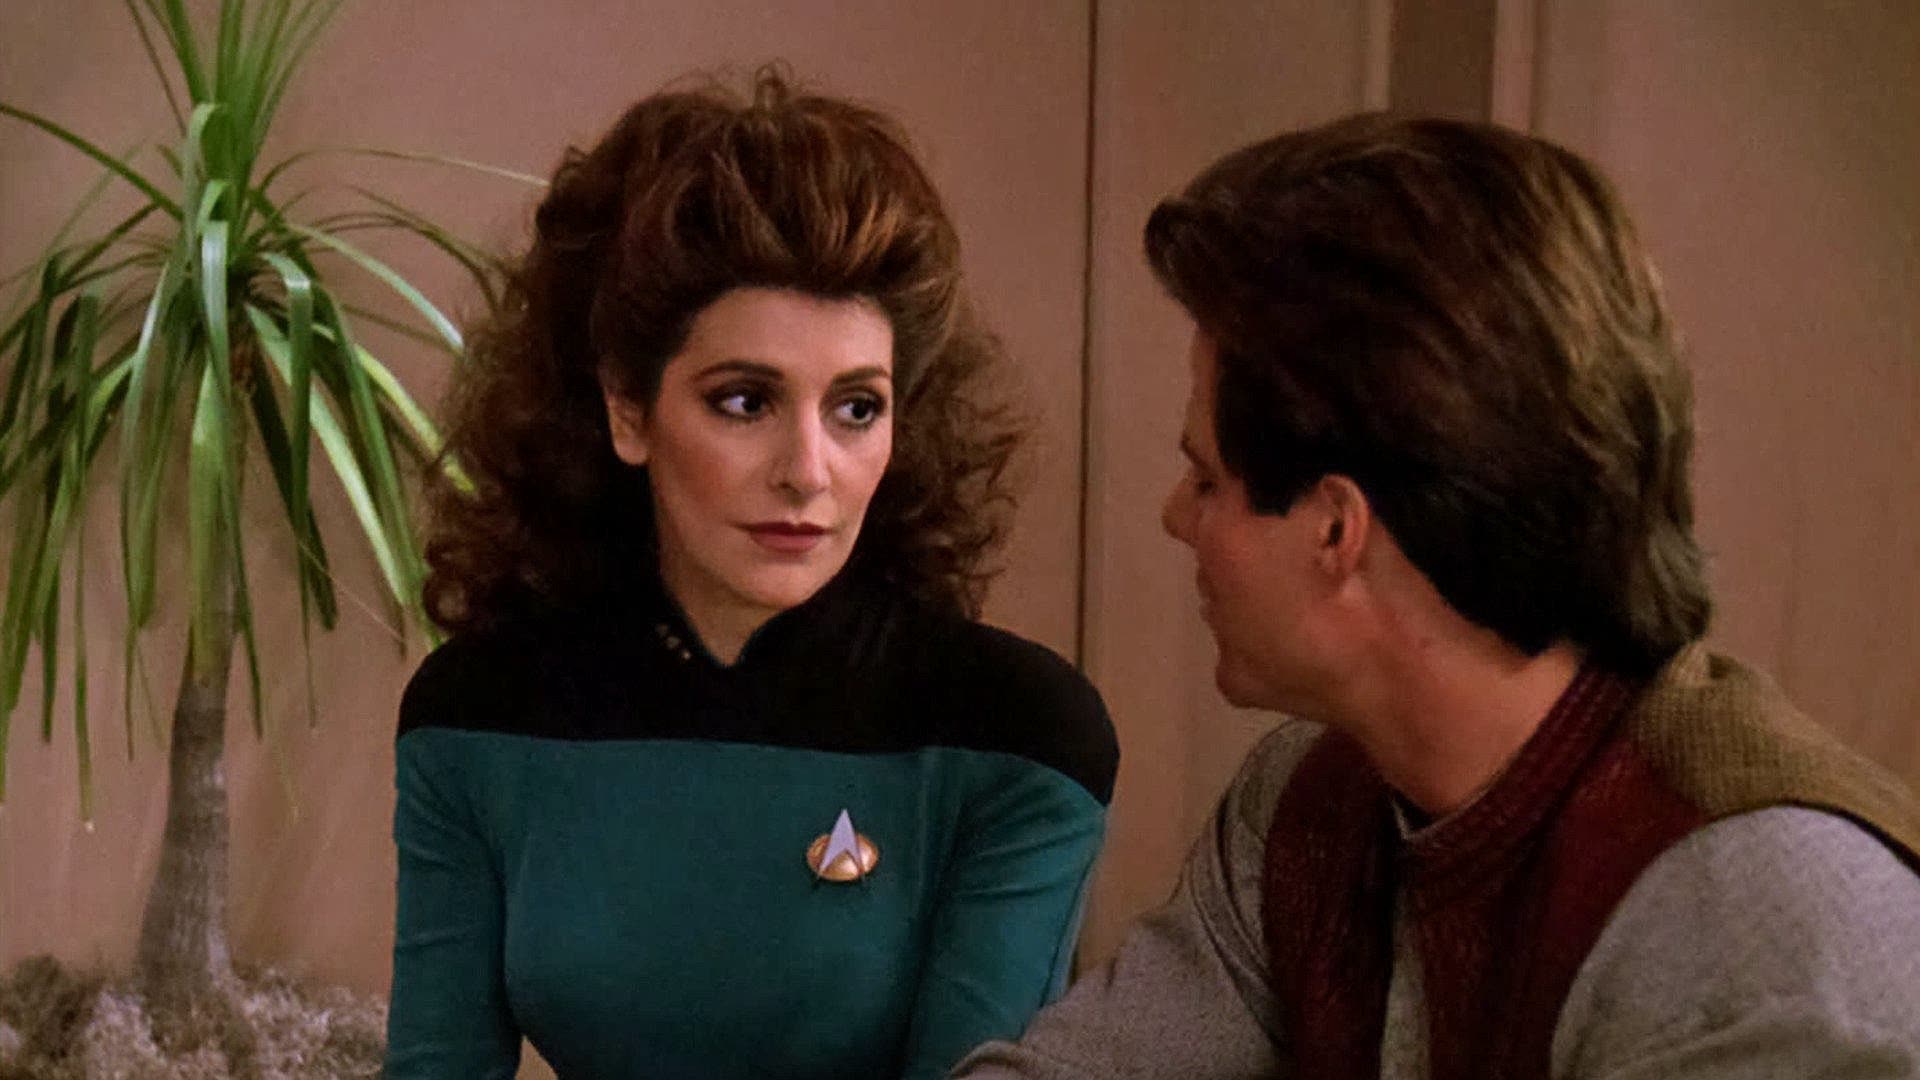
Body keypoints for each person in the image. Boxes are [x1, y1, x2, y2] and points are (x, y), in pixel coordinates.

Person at [955, 113, 1920, 1079]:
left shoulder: (1761, 924)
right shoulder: (1308, 803)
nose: (1176, 517)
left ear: (1337, 529)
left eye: (1206, 479)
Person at [384, 70, 1116, 1080]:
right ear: (628, 409)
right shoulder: (477, 717)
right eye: (744, 401)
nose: (808, 471)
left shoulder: (1018, 736)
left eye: (856, 408)